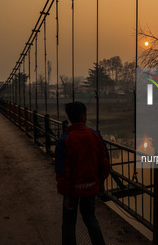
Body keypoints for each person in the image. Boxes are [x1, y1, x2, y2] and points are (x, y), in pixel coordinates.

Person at [55, 101, 110, 245]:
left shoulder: (64, 140)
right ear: (84, 116)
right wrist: (101, 183)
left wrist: (66, 194)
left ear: (70, 117)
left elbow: (62, 171)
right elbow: (104, 162)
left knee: (69, 223)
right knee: (91, 219)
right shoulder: (95, 136)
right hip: (91, 187)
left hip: (73, 191)